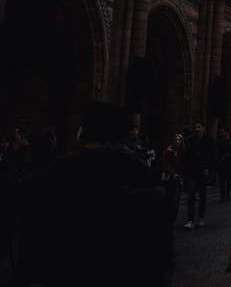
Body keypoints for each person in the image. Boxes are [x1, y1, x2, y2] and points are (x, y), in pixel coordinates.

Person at [16, 101, 172, 287]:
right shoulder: (137, 173)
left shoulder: (59, 171)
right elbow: (158, 256)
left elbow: (31, 244)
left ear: (84, 131)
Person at [183, 121, 214, 230]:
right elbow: (187, 155)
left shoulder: (208, 141)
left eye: (199, 127)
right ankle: (190, 219)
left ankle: (200, 217)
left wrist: (207, 168)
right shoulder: (190, 140)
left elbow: (211, 156)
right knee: (191, 195)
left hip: (202, 172)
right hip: (192, 171)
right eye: (195, 127)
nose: (197, 129)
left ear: (203, 128)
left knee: (202, 196)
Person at [216, 128, 231, 199]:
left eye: (223, 132)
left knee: (229, 180)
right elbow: (217, 152)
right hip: (222, 163)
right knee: (221, 180)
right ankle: (222, 195)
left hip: (230, 162)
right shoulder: (219, 141)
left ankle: (227, 193)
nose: (222, 133)